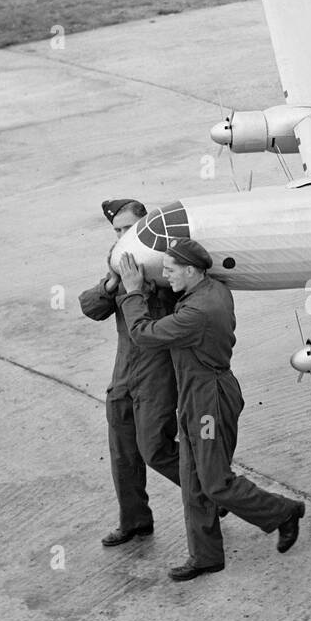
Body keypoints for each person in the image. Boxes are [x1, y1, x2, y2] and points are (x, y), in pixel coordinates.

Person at [117, 239, 305, 581]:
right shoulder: (211, 289)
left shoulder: (196, 313)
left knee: (215, 482)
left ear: (191, 270)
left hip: (209, 404)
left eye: (170, 270)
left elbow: (143, 334)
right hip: (197, 396)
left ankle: (284, 511)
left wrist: (133, 292)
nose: (165, 275)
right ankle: (205, 557)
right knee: (192, 481)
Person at [79, 199, 181, 546]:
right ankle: (135, 521)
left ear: (147, 225)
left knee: (156, 449)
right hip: (124, 372)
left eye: (129, 228)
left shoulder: (168, 260)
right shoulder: (120, 262)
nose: (123, 236)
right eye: (118, 231)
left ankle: (214, 492)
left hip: (159, 372)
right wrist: (111, 285)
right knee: (123, 454)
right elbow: (90, 307)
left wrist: (145, 287)